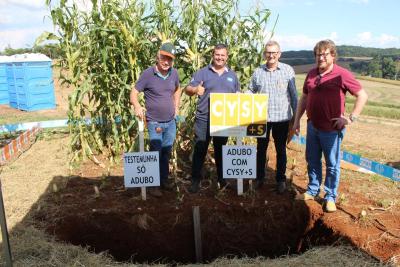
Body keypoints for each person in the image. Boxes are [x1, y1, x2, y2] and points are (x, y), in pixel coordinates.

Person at [293, 39, 368, 212]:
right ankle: (312, 190)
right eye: (318, 54)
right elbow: (304, 98)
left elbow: (362, 96)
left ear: (333, 56)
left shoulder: (342, 74)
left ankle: (330, 196)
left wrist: (350, 118)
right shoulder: (311, 74)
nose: (321, 58)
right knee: (312, 160)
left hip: (331, 131)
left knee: (332, 164)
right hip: (312, 126)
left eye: (325, 54)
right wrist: (297, 120)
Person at [185, 44, 240, 193]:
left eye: (223, 55)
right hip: (204, 118)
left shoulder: (232, 76)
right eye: (217, 55)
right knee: (200, 149)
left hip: (223, 120)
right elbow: (187, 89)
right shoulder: (202, 73)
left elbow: (238, 95)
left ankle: (222, 180)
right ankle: (195, 180)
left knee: (221, 150)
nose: (220, 58)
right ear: (213, 55)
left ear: (227, 57)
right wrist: (196, 89)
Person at [130, 42, 181, 197]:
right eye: (164, 58)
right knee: (155, 152)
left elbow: (178, 89)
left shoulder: (174, 73)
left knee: (166, 152)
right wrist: (137, 106)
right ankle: (153, 185)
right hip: (154, 122)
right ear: (158, 57)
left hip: (170, 122)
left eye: (170, 59)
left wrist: (176, 106)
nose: (167, 62)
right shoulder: (148, 74)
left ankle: (163, 180)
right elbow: (134, 92)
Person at [248, 40, 298, 194]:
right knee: (260, 149)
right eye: (268, 52)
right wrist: (242, 97)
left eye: (274, 52)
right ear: (265, 54)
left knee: (280, 150)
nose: (271, 55)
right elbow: (251, 91)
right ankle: (259, 178)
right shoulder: (258, 72)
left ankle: (280, 180)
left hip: (282, 118)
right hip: (261, 118)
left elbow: (294, 96)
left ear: (279, 54)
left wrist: (295, 120)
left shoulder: (288, 71)